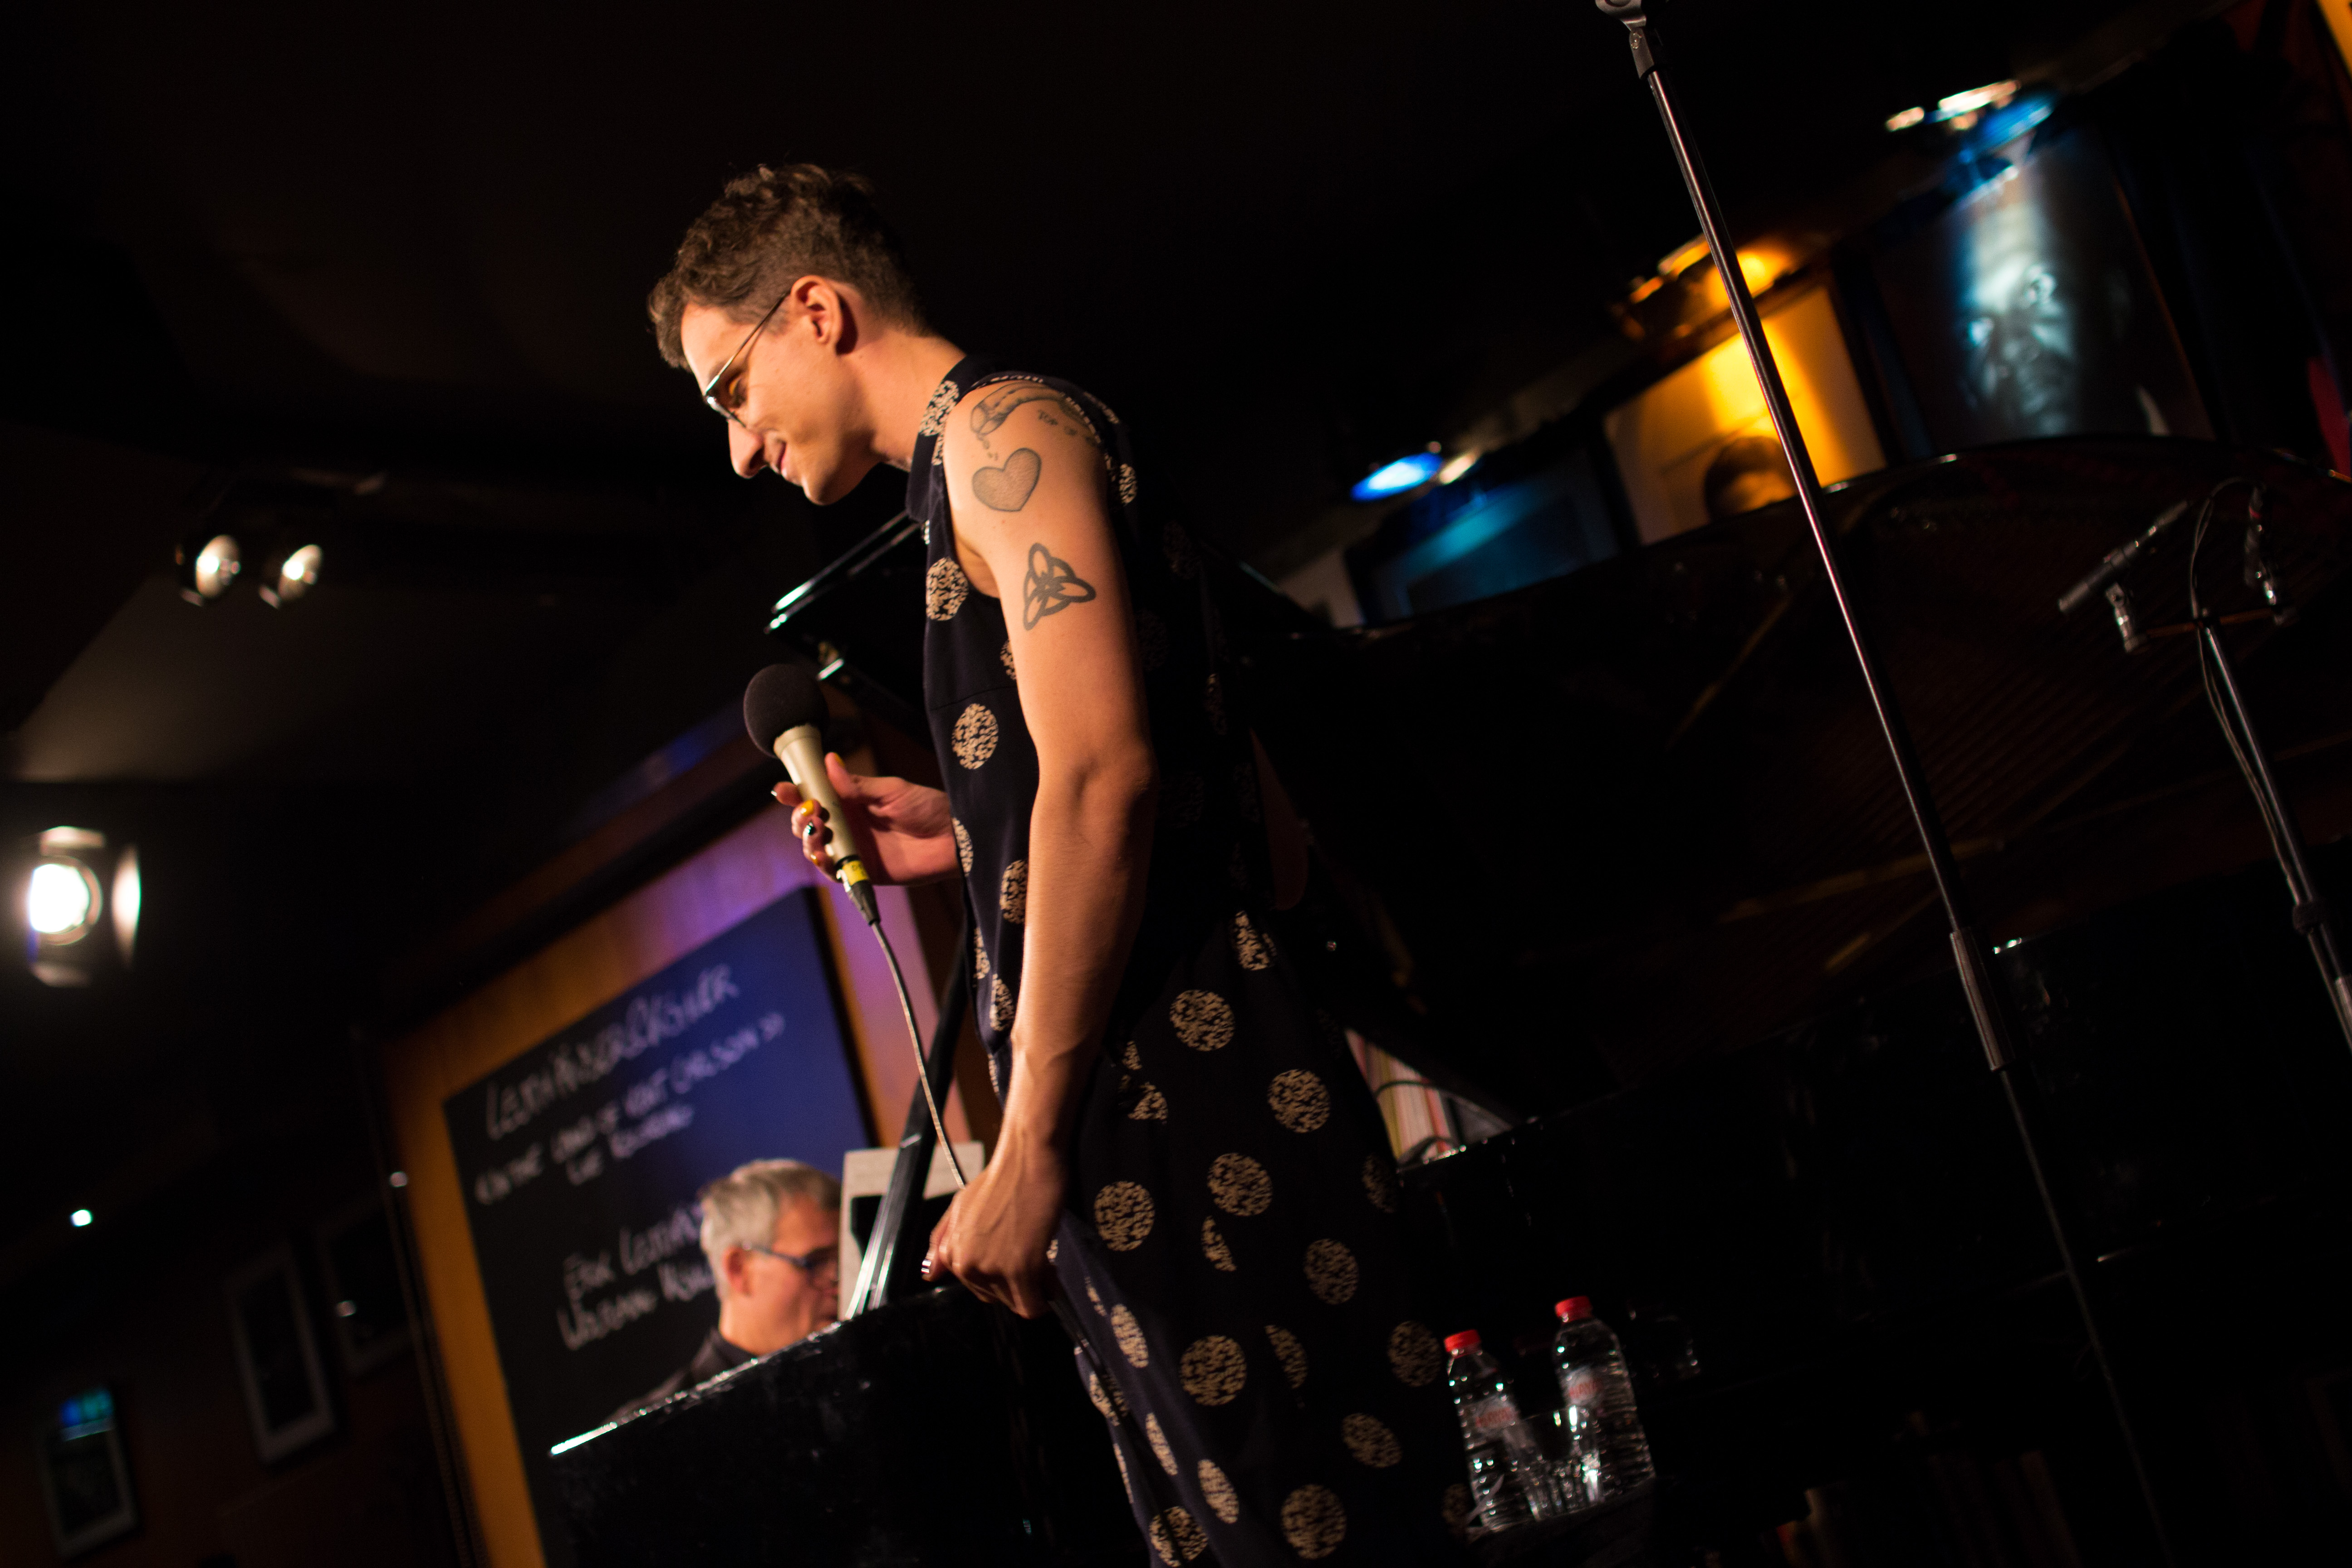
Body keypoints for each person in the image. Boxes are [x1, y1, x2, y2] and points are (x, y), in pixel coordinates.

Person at [647, 164, 1465, 1563]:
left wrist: (1025, 1146)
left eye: (732, 389)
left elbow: (1106, 776)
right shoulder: (967, 467)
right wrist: (967, 832)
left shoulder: (1003, 430)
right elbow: (1205, 807)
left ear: (818, 312)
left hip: (1191, 1110)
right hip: (1168, 1111)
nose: (738, 448)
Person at [613, 1159, 841, 1420]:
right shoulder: (652, 1428)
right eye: (816, 1262)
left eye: (844, 1261)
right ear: (739, 1269)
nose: (839, 1283)